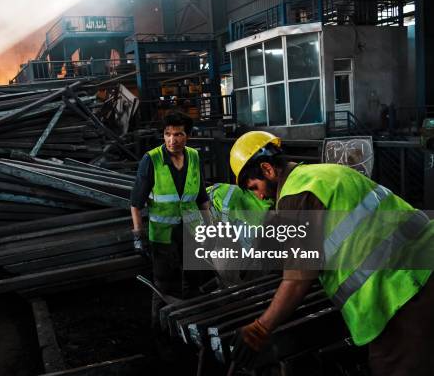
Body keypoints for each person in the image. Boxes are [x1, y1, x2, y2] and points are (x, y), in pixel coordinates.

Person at [227, 130, 434, 375]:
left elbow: (296, 281)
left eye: (254, 187)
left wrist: (260, 328)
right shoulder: (326, 173)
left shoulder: (295, 196)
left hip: (400, 296)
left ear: (268, 169)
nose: (259, 195)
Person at [130, 111, 211, 331]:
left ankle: (192, 328)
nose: (172, 140)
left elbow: (202, 198)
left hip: (192, 232)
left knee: (194, 282)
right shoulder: (152, 159)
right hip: (163, 237)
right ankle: (161, 333)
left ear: (188, 136)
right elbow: (136, 203)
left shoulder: (194, 156)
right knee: (165, 289)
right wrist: (138, 235)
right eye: (167, 134)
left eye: (178, 134)